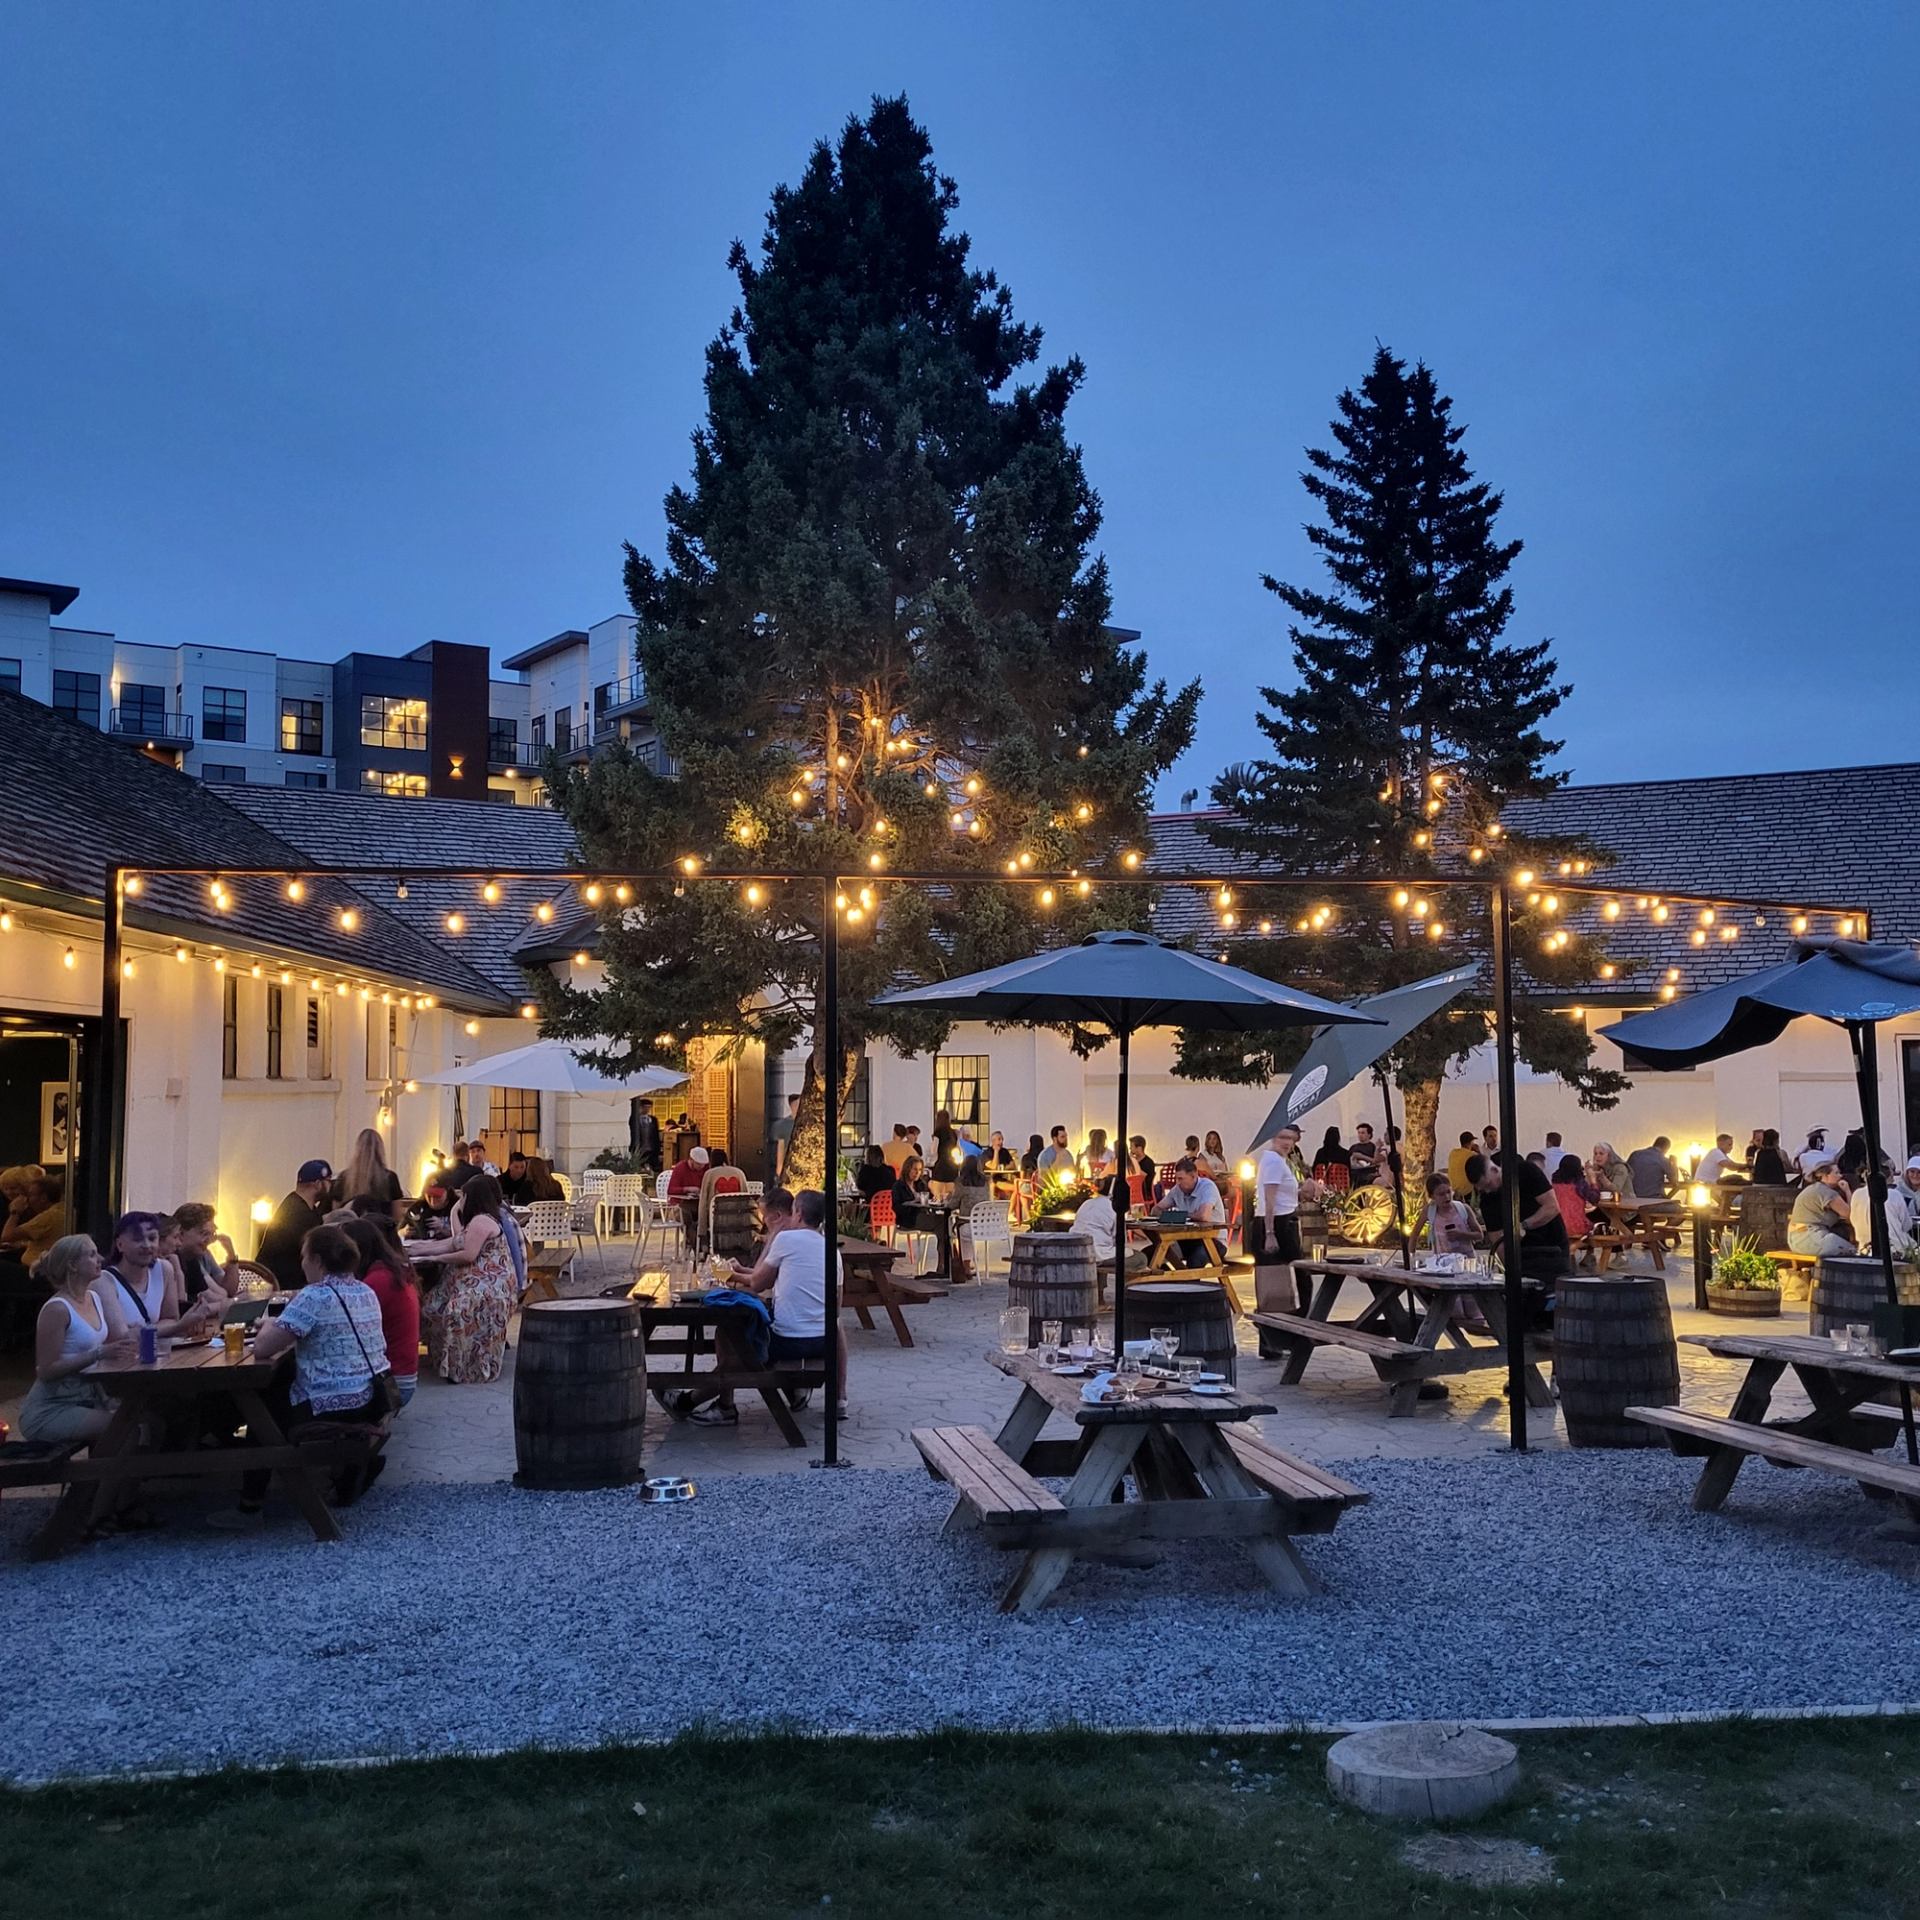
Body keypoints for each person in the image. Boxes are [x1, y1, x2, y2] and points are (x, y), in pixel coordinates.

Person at [212, 1223, 390, 1527]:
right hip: (371, 1397)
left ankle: (250, 1505)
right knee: (278, 1386)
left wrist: (270, 1324)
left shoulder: (315, 1296)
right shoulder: (365, 1291)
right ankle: (347, 1472)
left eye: (304, 1257)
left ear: (318, 1260)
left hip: (330, 1405)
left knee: (261, 1411)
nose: (302, 1263)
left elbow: (263, 1348)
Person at [725, 1188, 848, 1420]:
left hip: (788, 1343)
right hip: (824, 1343)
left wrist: (732, 1275)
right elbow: (837, 1306)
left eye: (793, 1210)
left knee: (732, 1335)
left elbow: (758, 1284)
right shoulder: (832, 1249)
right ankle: (836, 1397)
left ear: (799, 1213)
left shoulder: (786, 1239)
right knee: (837, 1323)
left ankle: (716, 1403)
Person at [19, 1235, 135, 1443]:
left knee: (147, 1419)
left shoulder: (94, 1298)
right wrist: (99, 1354)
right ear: (72, 1265)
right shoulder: (57, 1309)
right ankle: (107, 1466)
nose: (100, 1259)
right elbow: (45, 1370)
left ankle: (107, 1465)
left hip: (87, 1398)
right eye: (91, 1254)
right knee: (127, 1427)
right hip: (52, 1408)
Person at [412, 1175, 518, 1383]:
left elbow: (468, 1254)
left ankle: (464, 1367)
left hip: (489, 1286)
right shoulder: (477, 1220)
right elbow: (456, 1241)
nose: (462, 1200)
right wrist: (421, 1249)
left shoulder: (481, 1221)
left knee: (455, 1308)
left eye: (464, 1196)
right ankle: (447, 1360)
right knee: (431, 1303)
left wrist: (435, 1257)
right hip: (471, 1281)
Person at [98, 1211, 221, 1340]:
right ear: (120, 1245)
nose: (146, 1245)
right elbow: (122, 1336)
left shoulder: (163, 1269)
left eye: (152, 1239)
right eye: (137, 1239)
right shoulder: (104, 1281)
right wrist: (179, 1326)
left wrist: (142, 1331)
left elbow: (170, 1319)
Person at [341, 1214, 421, 1406]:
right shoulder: (390, 1272)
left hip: (390, 1385)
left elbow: (346, 1326)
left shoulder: (377, 1282)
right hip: (402, 1377)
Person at [1465, 1150, 1571, 1286]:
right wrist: (1511, 1272)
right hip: (1523, 1256)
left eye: (1488, 1185)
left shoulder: (1526, 1171)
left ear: (1494, 1170)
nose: (1487, 1191)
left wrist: (1523, 1226)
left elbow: (1552, 1207)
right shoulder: (1487, 1201)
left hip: (1553, 1247)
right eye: (1482, 1189)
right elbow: (1497, 1241)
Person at [255, 1159, 335, 1290]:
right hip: (283, 1285)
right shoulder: (298, 1213)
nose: (331, 1186)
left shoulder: (303, 1207)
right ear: (317, 1184)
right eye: (328, 1181)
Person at [170, 1202, 242, 1305]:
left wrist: (231, 1255)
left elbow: (227, 1292)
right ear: (181, 1233)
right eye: (204, 1233)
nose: (209, 1240)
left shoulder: (201, 1255)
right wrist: (237, 1301)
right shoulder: (172, 1259)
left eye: (212, 1234)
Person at [1072, 1174, 1145, 1273]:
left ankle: (1101, 1278)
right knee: (1141, 1258)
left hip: (1076, 1250)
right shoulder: (1115, 1208)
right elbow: (1119, 1240)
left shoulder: (1086, 1203)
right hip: (1099, 1254)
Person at [1849, 1158, 1920, 1261]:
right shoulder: (1894, 1194)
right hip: (1896, 1249)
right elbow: (1906, 1225)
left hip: (1864, 1248)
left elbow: (1853, 1220)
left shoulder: (1857, 1194)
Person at [1162, 1156, 1225, 1268]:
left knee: (1195, 1259)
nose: (1177, 1182)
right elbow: (1156, 1210)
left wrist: (1179, 1216)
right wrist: (1170, 1216)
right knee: (1152, 1254)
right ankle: (1172, 1278)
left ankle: (1187, 1279)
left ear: (1193, 1176)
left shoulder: (1207, 1187)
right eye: (1176, 1179)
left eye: (1181, 1179)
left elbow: (1204, 1216)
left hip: (1213, 1241)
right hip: (1186, 1239)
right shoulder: (1177, 1190)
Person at [1, 1167, 68, 1270]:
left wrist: (15, 1212)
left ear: (43, 1198)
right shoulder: (59, 1210)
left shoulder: (49, 1216)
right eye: (6, 1188)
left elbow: (6, 1236)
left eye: (14, 1188)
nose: (9, 1192)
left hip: (37, 1269)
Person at [1789, 1159, 1855, 1258]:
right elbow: (1850, 1215)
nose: (1840, 1176)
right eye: (1836, 1173)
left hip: (1795, 1239)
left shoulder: (1813, 1188)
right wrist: (1847, 1191)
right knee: (1854, 1252)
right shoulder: (1827, 1193)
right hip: (1811, 1238)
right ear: (1825, 1176)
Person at [336, 1127, 405, 1219]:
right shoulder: (390, 1178)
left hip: (349, 1226)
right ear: (380, 1150)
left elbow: (336, 1213)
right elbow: (397, 1215)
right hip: (380, 1226)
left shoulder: (344, 1177)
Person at [1424, 1173, 1481, 1256]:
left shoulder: (1463, 1209)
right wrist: (1412, 1257)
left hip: (1466, 1260)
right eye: (1441, 1194)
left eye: (1448, 1192)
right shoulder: (1430, 1211)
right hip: (1443, 1261)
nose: (1447, 1197)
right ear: (1432, 1196)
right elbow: (1414, 1235)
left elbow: (1479, 1235)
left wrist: (1461, 1235)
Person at [669, 1144, 708, 1249]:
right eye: (698, 1164)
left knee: (705, 1216)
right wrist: (687, 1189)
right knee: (686, 1218)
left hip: (697, 1204)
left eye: (703, 1165)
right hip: (679, 1205)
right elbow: (671, 1190)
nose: (701, 1167)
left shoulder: (705, 1169)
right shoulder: (680, 1168)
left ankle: (692, 1243)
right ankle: (698, 1246)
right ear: (691, 1160)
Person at [1551, 1155, 1593, 1240]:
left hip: (1557, 1226)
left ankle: (1572, 1247)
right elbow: (1594, 1198)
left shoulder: (1554, 1184)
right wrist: (1593, 1180)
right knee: (1595, 1227)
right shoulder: (1579, 1184)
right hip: (1576, 1225)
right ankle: (1574, 1246)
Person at [770, 1092, 801, 1180]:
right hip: (788, 1165)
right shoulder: (782, 1125)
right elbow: (780, 1148)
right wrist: (779, 1169)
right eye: (796, 1105)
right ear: (791, 1106)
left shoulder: (807, 1123)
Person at [629, 1096, 664, 1175]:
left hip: (651, 1148)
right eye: (645, 1107)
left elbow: (656, 1135)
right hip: (639, 1149)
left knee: (651, 1167)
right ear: (640, 1107)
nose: (647, 1109)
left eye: (649, 1107)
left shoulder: (653, 1120)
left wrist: (658, 1149)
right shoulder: (635, 1119)